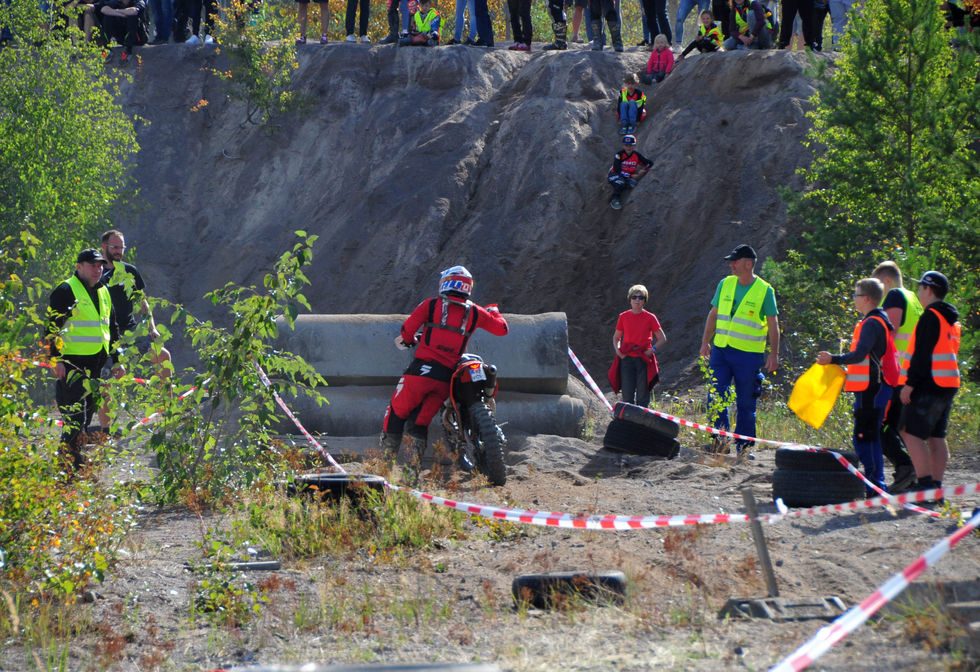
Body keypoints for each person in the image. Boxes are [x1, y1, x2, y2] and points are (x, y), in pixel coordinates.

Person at [381, 266, 509, 463]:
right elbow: (502, 329)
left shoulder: (431, 305)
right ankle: (412, 470)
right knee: (420, 421)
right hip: (445, 380)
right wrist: (494, 311)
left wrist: (411, 340)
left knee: (396, 413)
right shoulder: (476, 312)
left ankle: (385, 464)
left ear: (446, 283)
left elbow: (406, 331)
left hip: (420, 373)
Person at [699, 244, 779, 452]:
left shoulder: (765, 291)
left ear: (748, 264)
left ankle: (744, 448)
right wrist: (705, 342)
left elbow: (773, 324)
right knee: (715, 396)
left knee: (746, 404)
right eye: (731, 262)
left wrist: (774, 354)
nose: (731, 265)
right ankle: (720, 442)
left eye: (735, 261)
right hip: (721, 351)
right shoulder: (725, 284)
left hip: (748, 356)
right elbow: (713, 314)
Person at [816, 278, 894, 493]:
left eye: (856, 295)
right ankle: (875, 484)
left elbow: (860, 354)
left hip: (872, 389)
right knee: (867, 437)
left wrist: (833, 359)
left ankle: (875, 484)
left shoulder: (872, 323)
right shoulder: (875, 321)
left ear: (866, 298)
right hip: (871, 388)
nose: (853, 299)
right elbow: (867, 359)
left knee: (864, 438)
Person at [46, 249, 119, 471]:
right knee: (75, 417)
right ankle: (67, 467)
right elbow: (52, 327)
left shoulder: (104, 291)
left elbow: (112, 328)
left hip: (95, 366)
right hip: (72, 364)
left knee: (85, 417)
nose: (98, 269)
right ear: (79, 267)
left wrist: (117, 360)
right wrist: (56, 359)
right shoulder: (66, 290)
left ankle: (73, 463)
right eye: (92, 265)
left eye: (100, 265)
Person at [95, 230, 173, 434]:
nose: (119, 251)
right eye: (115, 247)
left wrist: (152, 327)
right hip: (105, 335)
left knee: (163, 356)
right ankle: (105, 431)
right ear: (104, 247)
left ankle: (167, 413)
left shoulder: (129, 271)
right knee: (106, 379)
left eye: (122, 248)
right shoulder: (95, 273)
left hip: (130, 331)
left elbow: (142, 301)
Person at [899, 271, 961, 499]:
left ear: (929, 289)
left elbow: (922, 354)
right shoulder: (951, 320)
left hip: (930, 382)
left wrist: (910, 384)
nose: (918, 292)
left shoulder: (931, 316)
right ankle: (935, 488)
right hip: (948, 382)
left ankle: (925, 486)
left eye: (920, 288)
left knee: (909, 432)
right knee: (936, 436)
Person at [871, 261, 923, 492]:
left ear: (887, 281)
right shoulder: (914, 299)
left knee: (876, 424)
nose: (876, 292)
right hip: (910, 374)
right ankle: (916, 473)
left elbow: (887, 333)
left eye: (877, 285)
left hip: (895, 375)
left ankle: (905, 467)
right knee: (901, 427)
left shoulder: (894, 296)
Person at [610, 285, 667, 408]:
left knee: (643, 397)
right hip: (627, 359)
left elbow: (662, 338)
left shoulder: (650, 317)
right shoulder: (623, 316)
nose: (637, 300)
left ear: (644, 300)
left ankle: (642, 419)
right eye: (634, 297)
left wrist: (651, 351)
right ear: (629, 299)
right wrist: (618, 351)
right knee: (627, 396)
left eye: (641, 297)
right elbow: (616, 337)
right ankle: (628, 419)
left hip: (643, 359)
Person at [607, 134, 652, 210]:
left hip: (627, 176)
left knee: (633, 184)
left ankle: (625, 184)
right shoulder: (619, 155)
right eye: (626, 145)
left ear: (634, 146)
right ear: (623, 146)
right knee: (620, 182)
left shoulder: (637, 155)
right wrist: (632, 176)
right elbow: (617, 170)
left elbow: (649, 163)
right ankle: (615, 199)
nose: (628, 147)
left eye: (631, 145)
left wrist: (645, 169)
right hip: (614, 174)